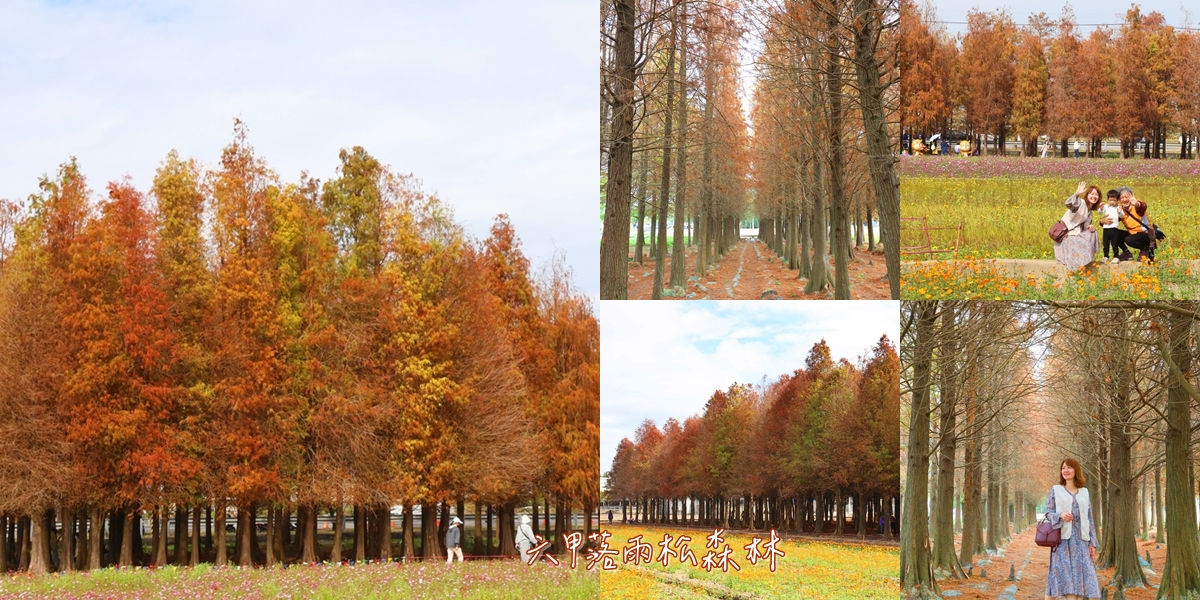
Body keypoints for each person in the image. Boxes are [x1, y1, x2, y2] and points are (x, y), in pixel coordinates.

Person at [1044, 458, 1100, 600]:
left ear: (1076, 470)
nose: (1065, 471)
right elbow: (1048, 513)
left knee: (1081, 584)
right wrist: (1060, 515)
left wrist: (1092, 542)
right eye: (1063, 468)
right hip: (1062, 542)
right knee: (1063, 581)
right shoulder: (1056, 490)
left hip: (1080, 543)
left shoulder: (1084, 492)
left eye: (1069, 467)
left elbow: (1089, 518)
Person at [1053, 181, 1101, 271]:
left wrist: (1091, 228)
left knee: (1093, 233)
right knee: (1084, 239)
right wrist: (1076, 194)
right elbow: (1070, 204)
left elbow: (1084, 229)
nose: (1094, 196)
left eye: (1096, 195)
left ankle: (1085, 259)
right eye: (1092, 194)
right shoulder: (1081, 203)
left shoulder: (1090, 212)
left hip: (1076, 234)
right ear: (1087, 195)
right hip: (1067, 235)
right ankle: (1078, 263)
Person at [1115, 187, 1154, 262]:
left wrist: (1137, 204)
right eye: (1122, 197)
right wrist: (1103, 221)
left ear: (1131, 197)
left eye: (1126, 197)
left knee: (1129, 239)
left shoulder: (1136, 207)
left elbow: (1143, 207)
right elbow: (1112, 221)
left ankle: (1145, 248)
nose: (1124, 199)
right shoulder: (1121, 211)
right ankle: (1126, 253)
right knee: (1113, 233)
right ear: (1120, 200)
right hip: (1134, 235)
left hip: (1146, 235)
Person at [1099, 190, 1130, 263]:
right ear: (1107, 200)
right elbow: (1100, 212)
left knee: (1114, 244)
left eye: (1114, 200)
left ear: (1117, 200)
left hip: (1114, 229)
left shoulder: (1118, 208)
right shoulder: (1106, 207)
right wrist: (1100, 207)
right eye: (1110, 200)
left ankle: (1116, 256)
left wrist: (1119, 212)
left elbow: (1122, 215)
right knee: (1105, 244)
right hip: (1106, 228)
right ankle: (1106, 256)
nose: (1112, 202)